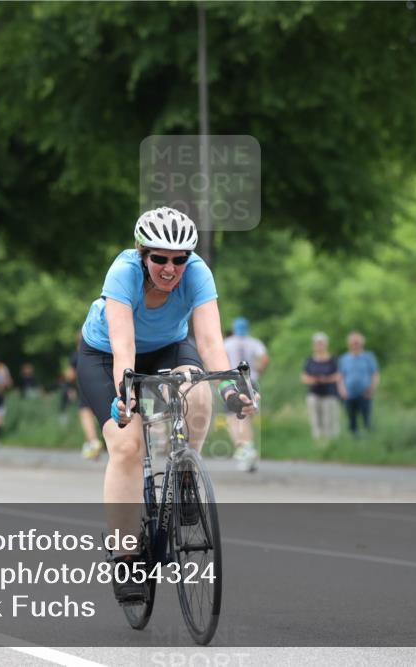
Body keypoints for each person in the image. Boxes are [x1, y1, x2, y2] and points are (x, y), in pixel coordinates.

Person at [76, 206, 257, 603]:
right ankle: (126, 557)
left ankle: (185, 474)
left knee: (198, 390)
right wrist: (126, 399)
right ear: (142, 253)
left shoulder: (197, 272)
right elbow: (125, 347)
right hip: (106, 355)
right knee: (126, 447)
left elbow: (209, 342)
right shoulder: (122, 273)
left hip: (168, 347)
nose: (170, 268)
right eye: (160, 258)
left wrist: (230, 389)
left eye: (179, 259)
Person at [223, 316, 270, 471]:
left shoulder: (228, 343)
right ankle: (247, 448)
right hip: (250, 380)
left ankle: (245, 449)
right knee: (247, 417)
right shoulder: (254, 342)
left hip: (233, 381)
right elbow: (264, 358)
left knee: (232, 418)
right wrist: (258, 370)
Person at [68, 332, 103, 460]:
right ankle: (93, 444)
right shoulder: (99, 352)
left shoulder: (77, 356)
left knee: (85, 414)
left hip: (84, 388)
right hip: (101, 386)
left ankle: (93, 442)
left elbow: (70, 376)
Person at [337, 331, 379, 434]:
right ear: (349, 344)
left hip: (365, 394)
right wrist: (342, 391)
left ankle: (369, 439)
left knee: (366, 420)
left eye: (357, 343)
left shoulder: (369, 357)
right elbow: (340, 377)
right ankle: (354, 440)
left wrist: (371, 390)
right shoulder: (344, 358)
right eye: (353, 343)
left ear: (362, 344)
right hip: (349, 394)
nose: (355, 345)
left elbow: (375, 375)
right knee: (351, 420)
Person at [301, 332, 341, 441]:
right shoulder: (310, 360)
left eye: (321, 343)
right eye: (317, 343)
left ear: (326, 344)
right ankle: (318, 442)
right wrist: (314, 380)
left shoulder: (333, 360)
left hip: (330, 394)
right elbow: (304, 377)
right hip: (314, 393)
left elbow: (339, 376)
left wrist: (326, 379)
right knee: (315, 420)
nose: (319, 346)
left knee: (329, 420)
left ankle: (331, 442)